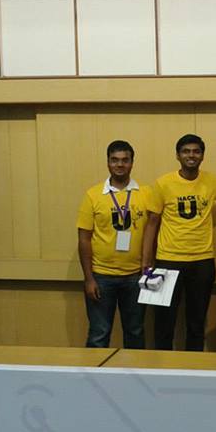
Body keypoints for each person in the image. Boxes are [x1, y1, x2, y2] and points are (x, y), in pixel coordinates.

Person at [142, 134, 216, 351]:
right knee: (164, 322)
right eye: (186, 151)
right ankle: (161, 369)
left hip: (201, 262)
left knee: (196, 322)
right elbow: (152, 224)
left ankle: (193, 370)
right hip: (167, 261)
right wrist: (146, 263)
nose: (191, 155)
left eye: (196, 151)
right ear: (177, 155)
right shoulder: (163, 183)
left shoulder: (212, 181)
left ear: (202, 155)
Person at [76, 140, 152, 348]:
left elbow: (154, 230)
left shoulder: (146, 194)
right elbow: (84, 239)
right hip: (102, 277)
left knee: (135, 332)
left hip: (135, 276)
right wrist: (89, 279)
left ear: (132, 163)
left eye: (125, 160)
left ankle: (135, 379)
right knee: (99, 334)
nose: (120, 164)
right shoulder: (93, 195)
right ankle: (94, 379)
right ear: (108, 163)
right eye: (115, 160)